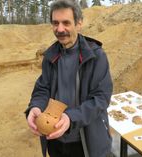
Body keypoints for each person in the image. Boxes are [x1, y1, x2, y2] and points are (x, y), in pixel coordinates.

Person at [25, 0, 113, 157]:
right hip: (54, 140)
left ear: (79, 23)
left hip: (85, 142)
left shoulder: (96, 56)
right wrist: (35, 106)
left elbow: (101, 98)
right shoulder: (50, 56)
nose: (60, 29)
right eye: (55, 23)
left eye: (66, 23)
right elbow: (42, 88)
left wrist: (70, 117)